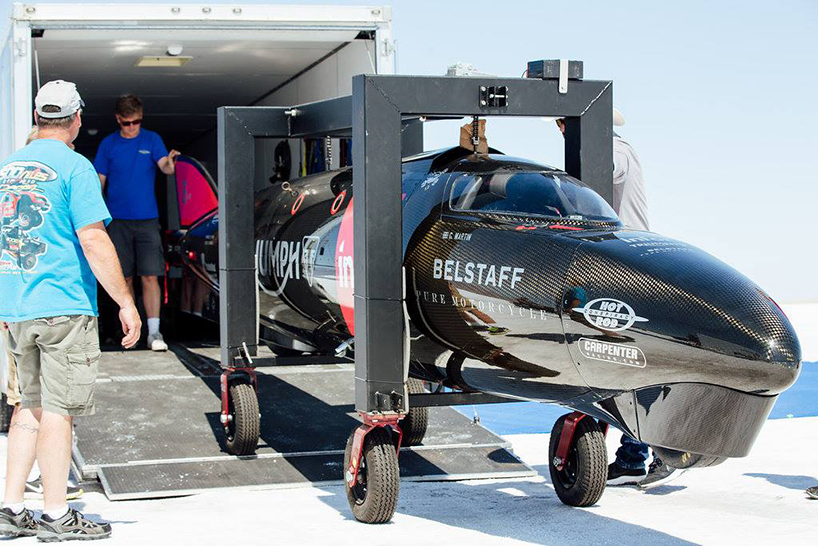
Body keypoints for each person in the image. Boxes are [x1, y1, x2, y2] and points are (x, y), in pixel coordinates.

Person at [0, 80, 141, 541]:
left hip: (17, 308)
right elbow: (94, 239)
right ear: (77, 119)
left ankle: (11, 508)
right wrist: (125, 302)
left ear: (37, 117)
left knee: (29, 405)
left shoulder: (7, 167)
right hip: (62, 307)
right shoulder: (75, 166)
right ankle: (57, 515)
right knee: (60, 411)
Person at [556, 110, 678, 489]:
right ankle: (633, 456)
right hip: (620, 264)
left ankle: (660, 450)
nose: (561, 132)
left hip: (625, 268)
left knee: (631, 362)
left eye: (564, 125)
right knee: (621, 362)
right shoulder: (618, 150)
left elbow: (598, 177)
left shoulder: (614, 152)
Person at [94, 94, 180, 351]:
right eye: (127, 123)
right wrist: (95, 217)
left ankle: (154, 332)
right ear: (118, 119)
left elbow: (165, 167)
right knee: (125, 278)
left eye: (136, 122)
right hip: (117, 221)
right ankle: (132, 331)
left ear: (141, 118)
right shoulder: (108, 144)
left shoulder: (152, 139)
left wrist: (171, 163)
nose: (132, 127)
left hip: (147, 220)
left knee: (151, 276)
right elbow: (99, 182)